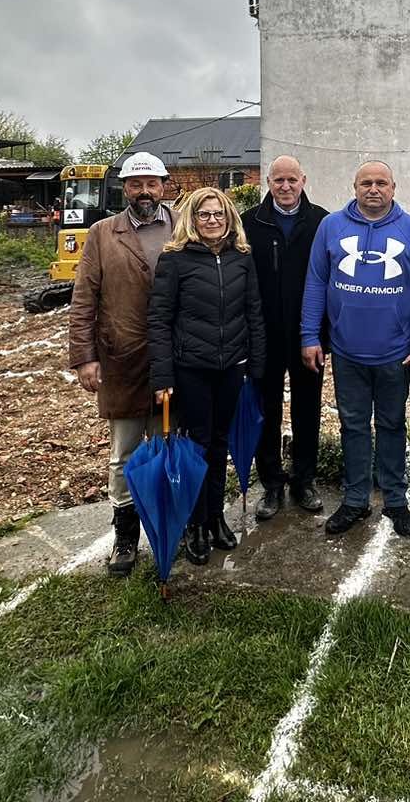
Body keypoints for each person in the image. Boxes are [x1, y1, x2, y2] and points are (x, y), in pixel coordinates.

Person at [301, 161, 410, 539]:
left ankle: (395, 500)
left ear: (393, 187)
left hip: (395, 355)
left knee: (393, 426)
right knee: (353, 426)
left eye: (381, 183)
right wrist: (309, 336)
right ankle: (356, 499)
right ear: (355, 186)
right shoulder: (331, 227)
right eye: (366, 183)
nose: (373, 189)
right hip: (346, 353)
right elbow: (315, 283)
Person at [67, 152, 176, 577]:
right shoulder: (102, 234)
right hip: (123, 359)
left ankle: (171, 524)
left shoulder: (181, 227)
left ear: (164, 185)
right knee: (126, 454)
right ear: (124, 189)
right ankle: (126, 538)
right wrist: (84, 357)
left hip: (173, 360)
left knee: (168, 445)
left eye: (151, 183)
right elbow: (83, 299)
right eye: (136, 184)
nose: (144, 191)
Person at [148, 186, 267, 566]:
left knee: (220, 444)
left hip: (231, 367)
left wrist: (258, 366)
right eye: (205, 214)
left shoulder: (242, 259)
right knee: (196, 445)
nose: (213, 221)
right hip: (191, 369)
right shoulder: (175, 260)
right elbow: (159, 321)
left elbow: (254, 313)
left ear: (229, 218)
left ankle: (216, 517)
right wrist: (162, 375)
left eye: (219, 214)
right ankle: (195, 523)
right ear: (192, 219)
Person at [245, 156, 331, 519]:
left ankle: (303, 480)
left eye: (291, 180)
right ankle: (271, 485)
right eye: (278, 180)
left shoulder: (322, 221)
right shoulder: (251, 222)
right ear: (268, 181)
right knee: (266, 411)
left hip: (308, 334)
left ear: (303, 180)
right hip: (264, 334)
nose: (285, 186)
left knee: (307, 408)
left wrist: (323, 333)